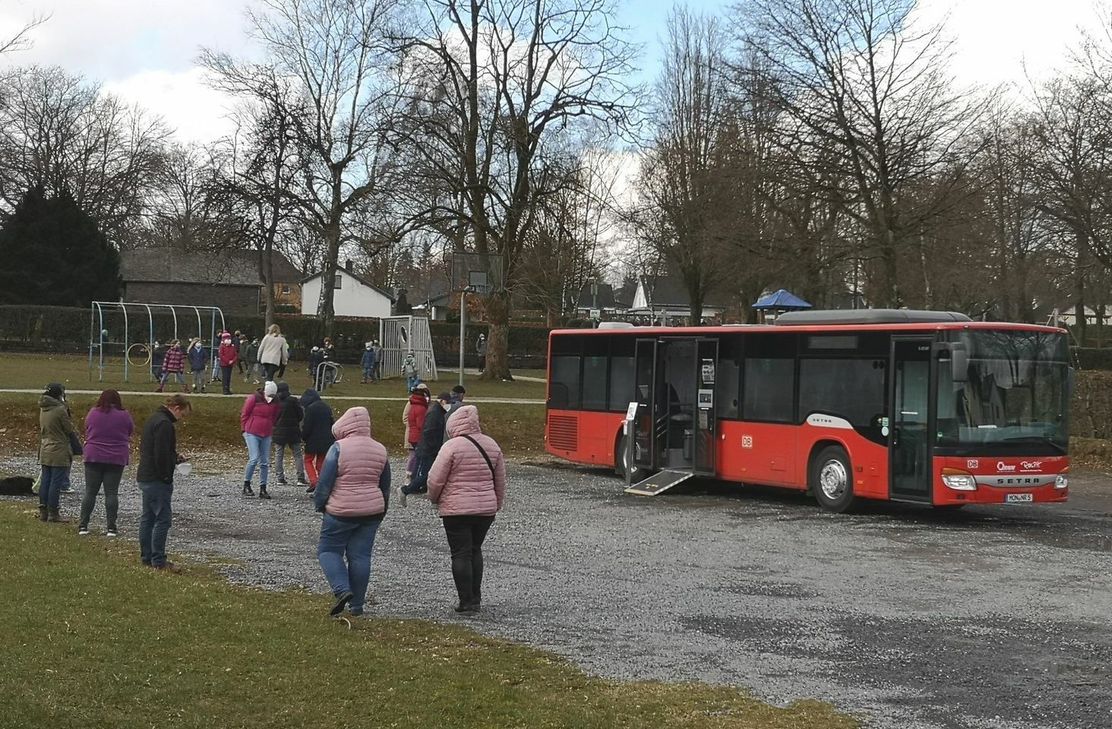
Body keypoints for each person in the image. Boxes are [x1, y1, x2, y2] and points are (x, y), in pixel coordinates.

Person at [427, 405, 506, 613]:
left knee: (460, 553)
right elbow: (500, 480)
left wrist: (434, 499)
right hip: (485, 511)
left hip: (456, 510)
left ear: (452, 424)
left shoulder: (451, 447)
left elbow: (435, 480)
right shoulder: (492, 445)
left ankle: (466, 601)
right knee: (475, 549)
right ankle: (476, 598)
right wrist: (496, 503)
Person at [313, 406, 390, 618]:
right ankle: (357, 606)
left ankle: (341, 589)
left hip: (341, 510)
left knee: (328, 551)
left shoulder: (338, 448)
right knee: (360, 556)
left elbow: (325, 483)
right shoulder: (380, 449)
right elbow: (385, 485)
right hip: (371, 511)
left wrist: (320, 504)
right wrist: (381, 510)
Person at [136, 394, 191, 572]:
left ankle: (147, 556)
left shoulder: (154, 418)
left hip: (145, 475)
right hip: (156, 478)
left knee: (148, 518)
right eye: (182, 414)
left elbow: (157, 450)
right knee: (163, 519)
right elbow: (160, 454)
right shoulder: (165, 425)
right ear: (176, 408)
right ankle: (158, 560)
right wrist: (166, 476)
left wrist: (174, 457)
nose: (181, 419)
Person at [78, 390, 135, 537]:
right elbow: (130, 430)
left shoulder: (93, 413)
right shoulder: (124, 415)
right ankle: (111, 528)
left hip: (94, 455)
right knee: (111, 493)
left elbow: (87, 428)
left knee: (90, 491)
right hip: (116, 457)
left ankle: (83, 525)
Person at [400, 390, 452, 506]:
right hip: (429, 449)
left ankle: (426, 492)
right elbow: (429, 432)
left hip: (428, 448)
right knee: (428, 475)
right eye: (448, 402)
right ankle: (406, 490)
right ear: (442, 401)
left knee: (429, 473)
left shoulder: (436, 411)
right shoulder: (435, 413)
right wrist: (435, 447)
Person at [38, 382, 76, 523]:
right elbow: (68, 428)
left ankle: (43, 511)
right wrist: (66, 407)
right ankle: (54, 512)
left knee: (46, 480)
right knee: (56, 482)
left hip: (45, 446)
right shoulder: (60, 409)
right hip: (59, 448)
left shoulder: (43, 408)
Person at [241, 380, 282, 498]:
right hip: (252, 432)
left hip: (266, 434)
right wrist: (244, 429)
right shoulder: (253, 398)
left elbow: (275, 416)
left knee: (265, 462)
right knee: (254, 458)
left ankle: (263, 488)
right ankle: (246, 484)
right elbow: (245, 414)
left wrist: (270, 426)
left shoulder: (276, 402)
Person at [272, 382, 308, 487]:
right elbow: (300, 415)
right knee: (297, 454)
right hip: (293, 430)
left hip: (279, 431)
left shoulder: (276, 402)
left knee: (279, 454)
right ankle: (300, 478)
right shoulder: (293, 401)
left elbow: (273, 417)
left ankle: (280, 478)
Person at [301, 388, 335, 493]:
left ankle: (314, 481)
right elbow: (332, 423)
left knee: (308, 460)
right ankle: (323, 483)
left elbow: (307, 426)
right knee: (321, 462)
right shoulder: (326, 407)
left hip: (312, 440)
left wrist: (303, 437)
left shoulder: (310, 409)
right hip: (327, 440)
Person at [402, 383, 430, 483]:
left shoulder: (423, 403)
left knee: (417, 456)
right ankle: (409, 476)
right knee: (413, 456)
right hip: (413, 433)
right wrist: (411, 426)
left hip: (415, 433)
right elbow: (405, 418)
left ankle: (414, 476)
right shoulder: (412, 403)